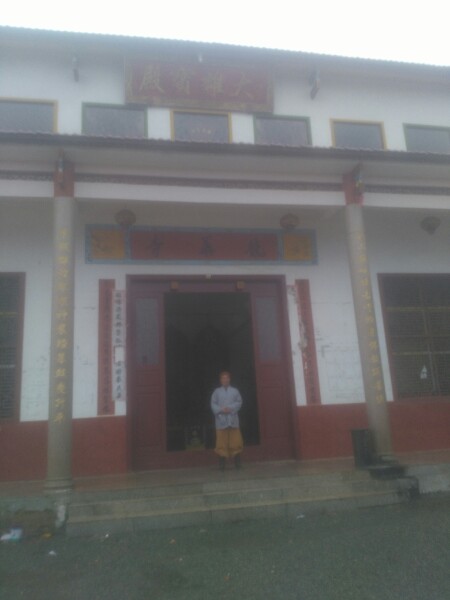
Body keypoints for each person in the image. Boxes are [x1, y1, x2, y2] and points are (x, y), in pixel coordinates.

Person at [210, 371, 244, 470]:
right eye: (223, 378)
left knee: (236, 441)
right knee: (221, 443)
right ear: (220, 380)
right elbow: (213, 404)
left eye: (227, 378)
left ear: (229, 379)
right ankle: (222, 465)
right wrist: (221, 409)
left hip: (233, 419)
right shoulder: (216, 392)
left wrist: (230, 408)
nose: (225, 380)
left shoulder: (235, 391)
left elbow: (239, 402)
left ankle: (237, 463)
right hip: (221, 420)